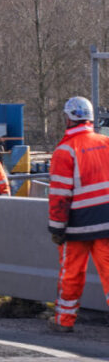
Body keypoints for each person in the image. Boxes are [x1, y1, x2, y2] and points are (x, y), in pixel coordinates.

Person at [49, 96, 109, 333]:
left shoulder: (65, 151)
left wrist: (56, 228)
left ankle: (64, 321)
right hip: (106, 224)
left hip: (76, 228)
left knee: (71, 275)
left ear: (70, 118)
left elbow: (59, 196)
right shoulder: (106, 142)